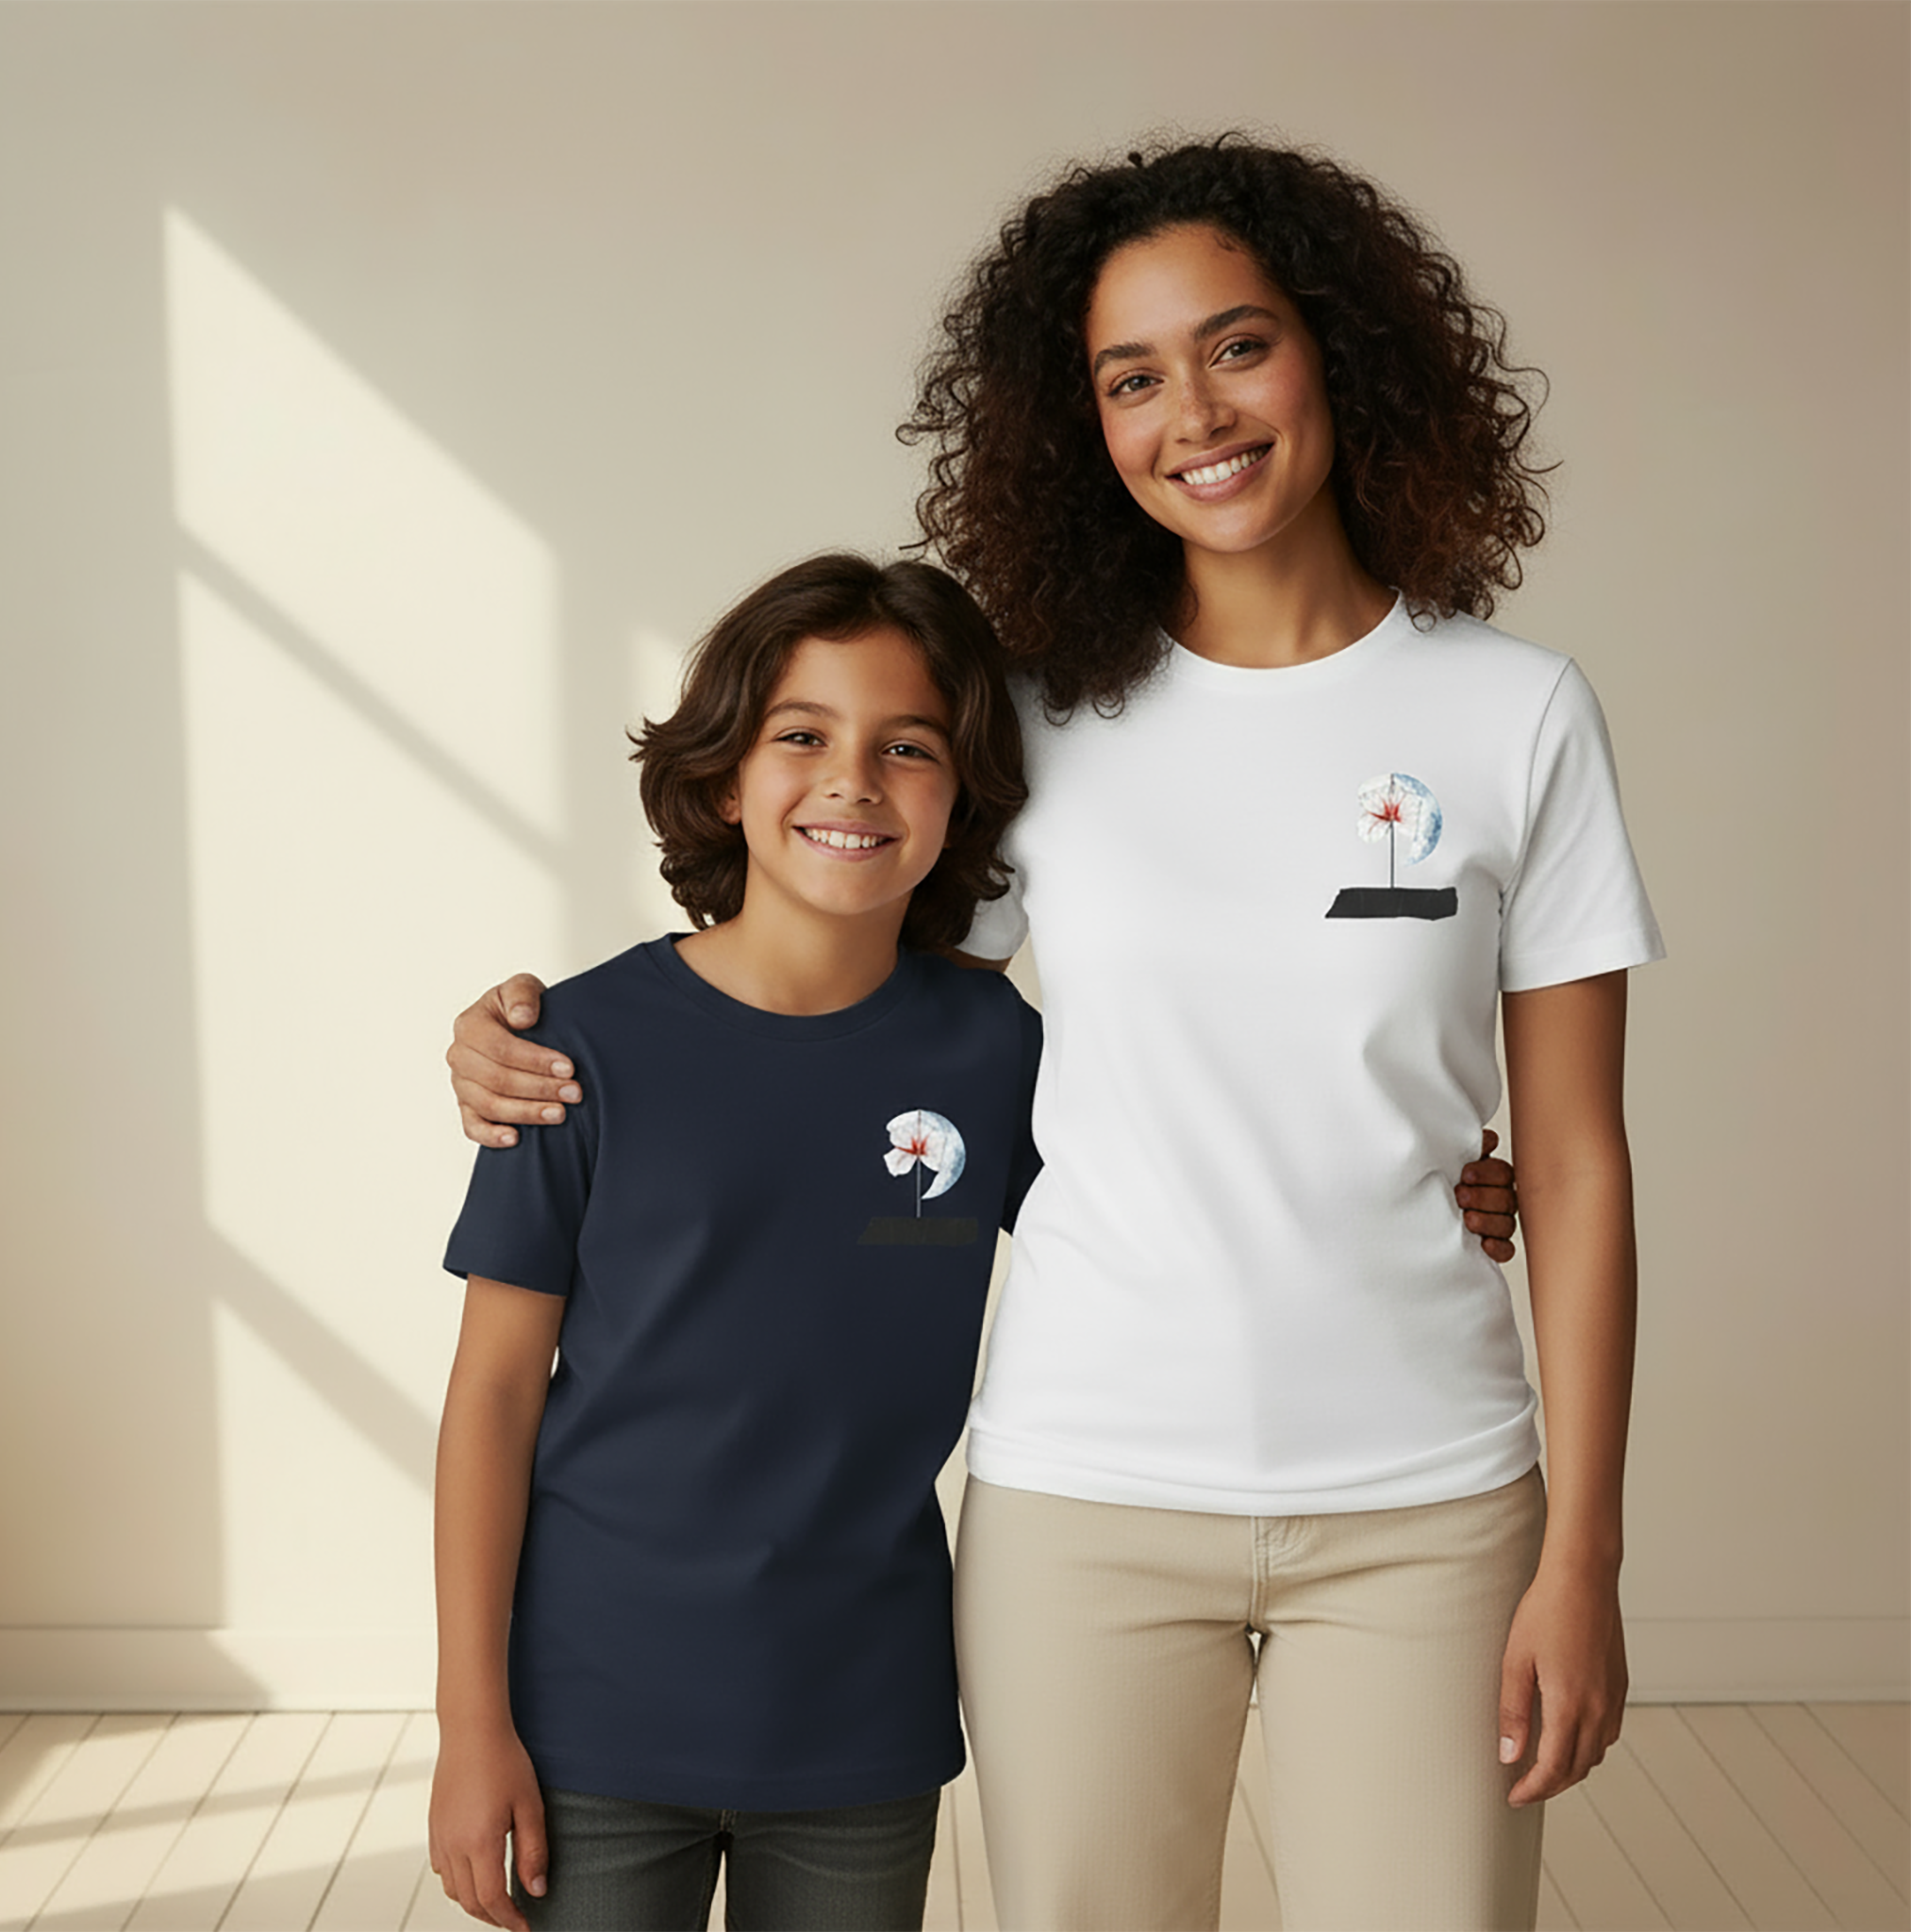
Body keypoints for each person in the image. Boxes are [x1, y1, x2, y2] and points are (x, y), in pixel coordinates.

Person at [452, 134, 1648, 1932]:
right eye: (1131, 376)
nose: (1196, 412)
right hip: (1084, 1499)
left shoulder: (1516, 716)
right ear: (1080, 422)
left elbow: (1569, 1156)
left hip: (1430, 1499)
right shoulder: (1027, 720)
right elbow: (822, 973)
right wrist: (534, 1032)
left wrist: (1585, 1552)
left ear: (1337, 350)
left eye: (1238, 345)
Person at [428, 553, 1042, 1932]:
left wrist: (1458, 1184)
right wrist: (474, 1725)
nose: (854, 781)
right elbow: (493, 1397)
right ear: (723, 778)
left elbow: (1165, 1220)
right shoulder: (573, 1050)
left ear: (963, 798)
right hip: (588, 1720)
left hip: (860, 1721)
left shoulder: (998, 1051)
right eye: (803, 736)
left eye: (907, 747)